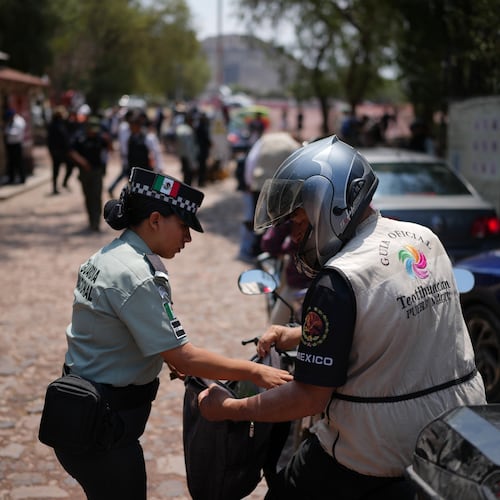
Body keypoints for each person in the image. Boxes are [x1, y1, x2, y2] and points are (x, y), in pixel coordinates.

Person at [199, 135, 486, 499]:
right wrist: (298, 335)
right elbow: (387, 321)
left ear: (329, 202)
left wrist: (230, 409)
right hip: (455, 427)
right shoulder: (422, 238)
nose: (294, 233)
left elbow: (309, 398)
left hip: (377, 449)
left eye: (298, 219)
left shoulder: (338, 279)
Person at [49, 167, 291, 500]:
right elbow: (184, 356)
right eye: (183, 226)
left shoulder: (110, 256)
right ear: (155, 220)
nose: (188, 239)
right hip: (103, 430)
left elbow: (113, 329)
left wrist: (163, 355)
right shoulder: (137, 275)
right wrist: (255, 370)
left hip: (82, 414)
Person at [238, 131, 300, 263]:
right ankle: (270, 250)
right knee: (276, 220)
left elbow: (251, 161)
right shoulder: (292, 144)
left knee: (259, 219)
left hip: (259, 184)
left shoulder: (263, 141)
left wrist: (249, 182)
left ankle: (257, 249)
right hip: (281, 186)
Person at [69, 116, 112, 232]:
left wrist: (108, 141)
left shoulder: (100, 138)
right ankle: (91, 219)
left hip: (97, 171)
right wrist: (83, 162)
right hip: (84, 172)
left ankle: (96, 221)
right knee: (88, 196)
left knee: (97, 196)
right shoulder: (80, 137)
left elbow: (110, 150)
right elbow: (71, 152)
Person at [47, 106, 71, 195]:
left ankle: (62, 184)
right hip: (58, 151)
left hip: (60, 151)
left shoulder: (62, 124)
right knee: (57, 169)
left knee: (68, 167)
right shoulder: (55, 125)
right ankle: (55, 187)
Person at [3, 108, 26, 184]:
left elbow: (17, 132)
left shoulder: (19, 121)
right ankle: (11, 178)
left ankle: (22, 178)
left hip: (17, 144)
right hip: (10, 145)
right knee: (11, 163)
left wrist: (8, 132)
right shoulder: (9, 121)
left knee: (19, 162)